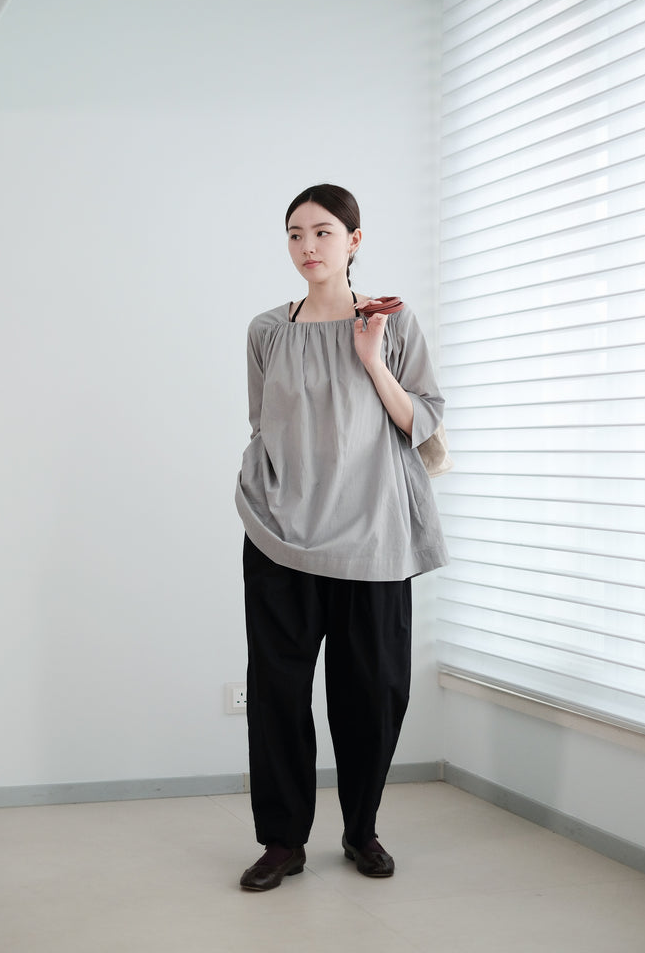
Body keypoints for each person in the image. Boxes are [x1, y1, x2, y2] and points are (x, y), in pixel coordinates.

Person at [235, 183, 448, 892]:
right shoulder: (267, 330)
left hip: (374, 535)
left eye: (322, 232)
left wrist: (372, 358)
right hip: (280, 537)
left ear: (353, 241)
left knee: (372, 695)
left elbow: (421, 421)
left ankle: (362, 830)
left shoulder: (392, 320)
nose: (307, 247)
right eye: (295, 234)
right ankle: (282, 842)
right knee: (277, 695)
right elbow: (262, 426)